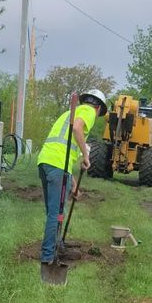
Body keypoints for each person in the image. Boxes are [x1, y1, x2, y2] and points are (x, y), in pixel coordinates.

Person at [36, 89, 108, 267]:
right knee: (56, 213)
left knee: (53, 212)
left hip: (46, 162)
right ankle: (48, 257)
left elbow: (64, 151)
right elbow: (77, 129)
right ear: (98, 108)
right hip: (57, 166)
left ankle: (56, 245)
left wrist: (73, 185)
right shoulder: (89, 112)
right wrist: (86, 155)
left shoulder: (69, 113)